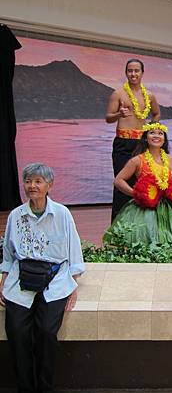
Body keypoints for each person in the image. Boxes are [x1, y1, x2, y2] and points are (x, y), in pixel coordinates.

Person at [1, 163, 85, 393]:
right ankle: (25, 388)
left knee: (47, 332)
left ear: (49, 185)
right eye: (28, 181)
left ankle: (45, 388)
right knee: (17, 332)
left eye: (38, 181)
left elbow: (74, 250)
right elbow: (8, 252)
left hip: (55, 278)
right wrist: (4, 278)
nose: (32, 186)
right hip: (22, 277)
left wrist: (73, 283)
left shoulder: (61, 213)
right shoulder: (16, 216)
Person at [104, 122, 172, 244]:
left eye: (160, 133)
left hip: (168, 208)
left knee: (171, 242)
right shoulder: (137, 160)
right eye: (152, 132)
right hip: (144, 209)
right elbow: (118, 181)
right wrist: (135, 194)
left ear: (164, 139)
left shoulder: (171, 160)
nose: (156, 136)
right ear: (145, 138)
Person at [105, 59, 160, 222]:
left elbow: (156, 114)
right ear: (126, 73)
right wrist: (119, 115)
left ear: (142, 73)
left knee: (141, 182)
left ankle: (139, 223)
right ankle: (118, 225)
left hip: (142, 144)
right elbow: (108, 118)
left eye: (136, 71)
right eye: (130, 71)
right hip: (123, 142)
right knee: (121, 183)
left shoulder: (149, 95)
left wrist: (152, 128)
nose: (133, 74)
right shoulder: (118, 94)